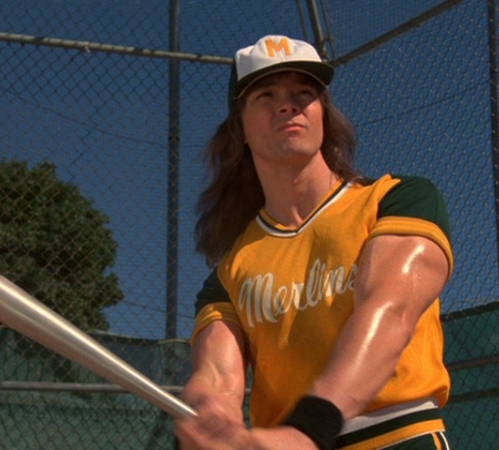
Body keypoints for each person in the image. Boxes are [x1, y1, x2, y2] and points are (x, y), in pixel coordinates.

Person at [174, 34, 454, 450]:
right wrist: (209, 415)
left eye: (303, 93)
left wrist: (309, 429)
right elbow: (216, 377)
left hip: (396, 437)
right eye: (266, 95)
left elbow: (390, 309)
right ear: (240, 128)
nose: (287, 105)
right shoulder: (230, 272)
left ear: (324, 114)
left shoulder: (397, 200)